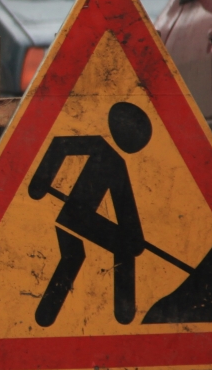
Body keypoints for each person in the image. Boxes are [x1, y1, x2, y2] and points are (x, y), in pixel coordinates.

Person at [27, 102, 153, 326]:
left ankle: (46, 316)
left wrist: (135, 237)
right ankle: (122, 312)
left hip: (75, 216)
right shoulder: (103, 151)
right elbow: (60, 145)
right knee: (119, 249)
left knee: (74, 257)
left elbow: (124, 206)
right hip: (76, 215)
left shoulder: (114, 161)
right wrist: (39, 183)